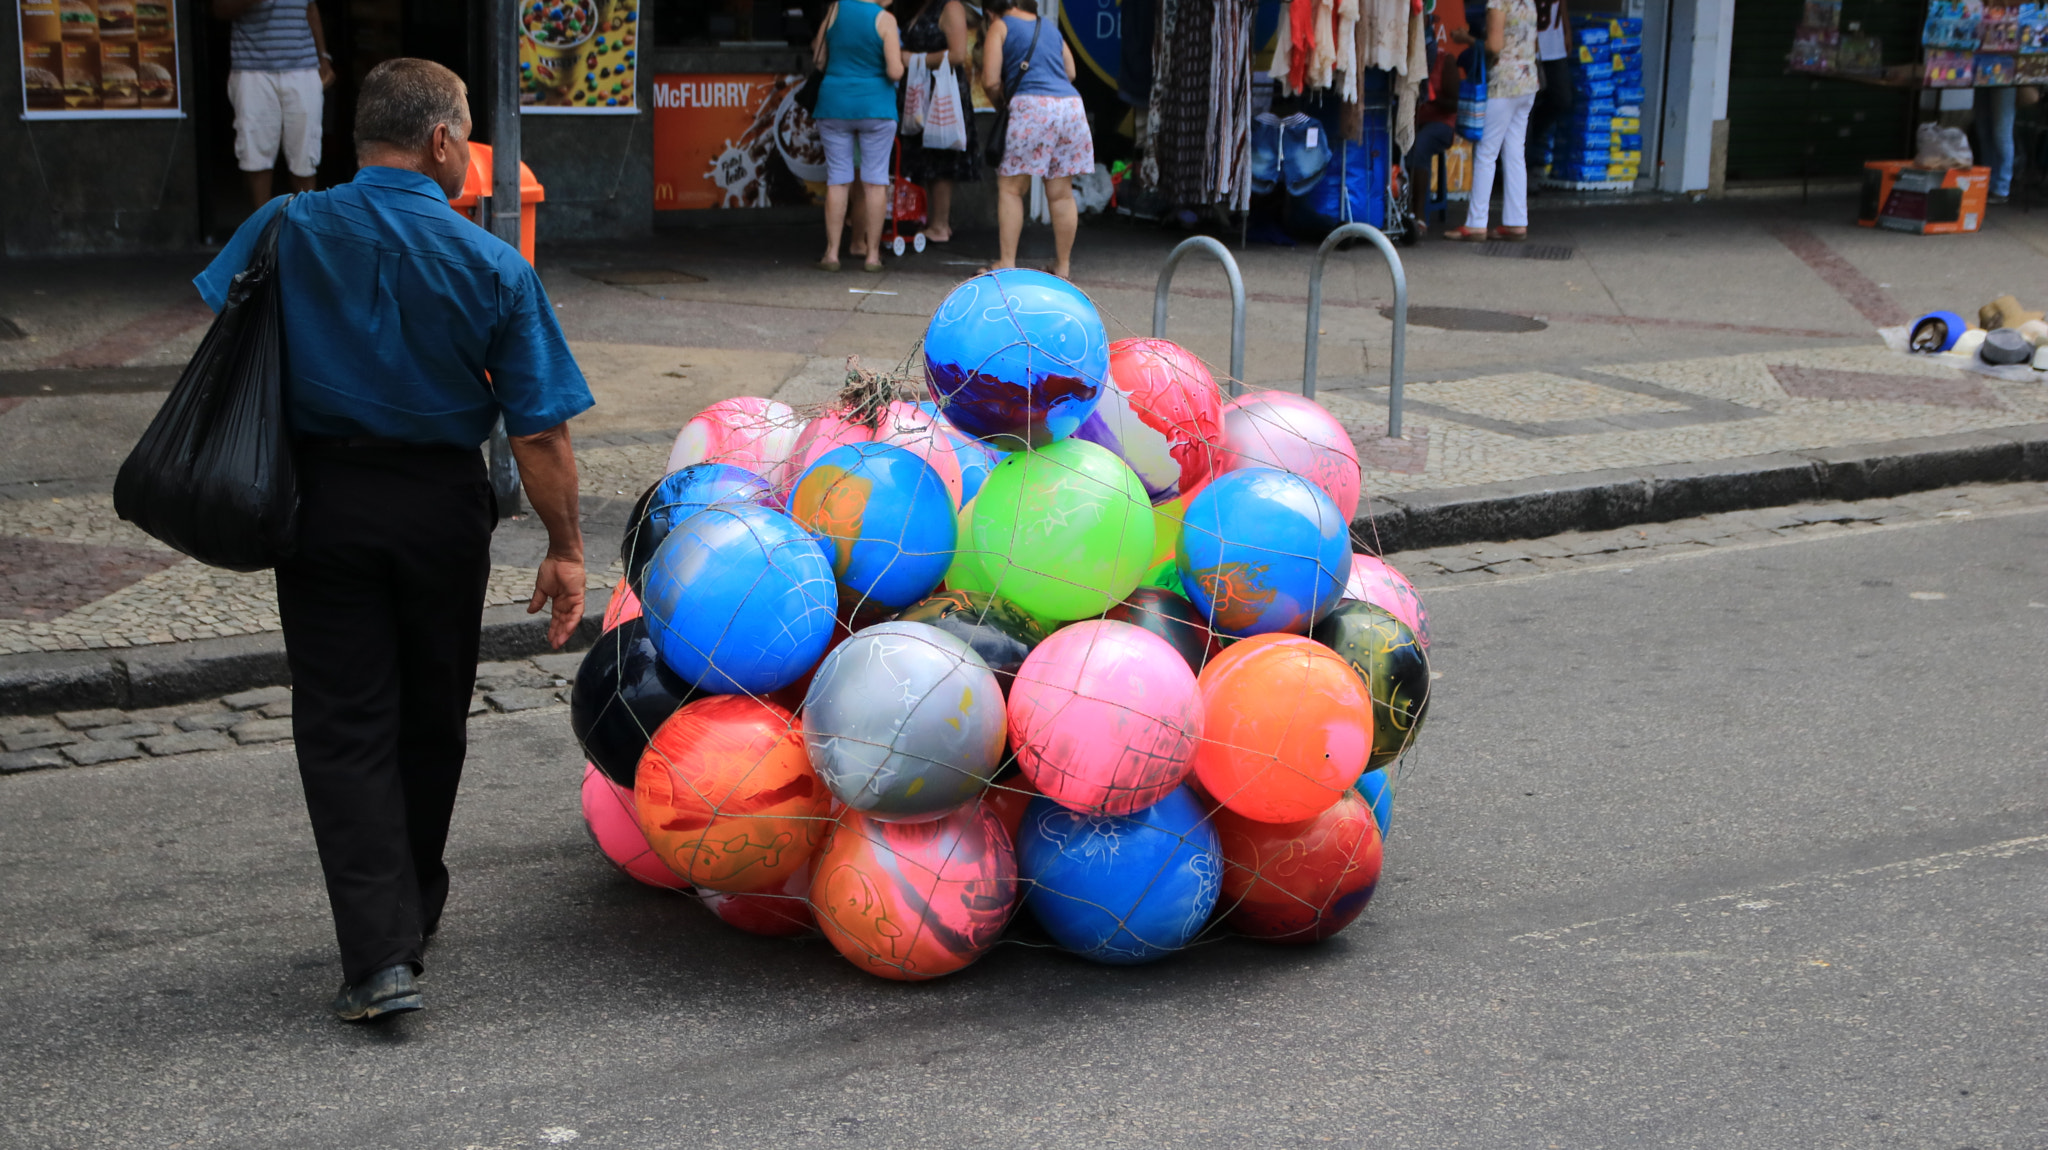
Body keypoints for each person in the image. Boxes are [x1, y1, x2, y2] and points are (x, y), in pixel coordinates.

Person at [191, 58, 593, 1023]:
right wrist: (566, 546)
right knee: (430, 710)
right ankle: (403, 909)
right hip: (438, 508)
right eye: (468, 138)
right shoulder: (491, 263)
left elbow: (223, 319)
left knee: (343, 721)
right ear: (444, 143)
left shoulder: (284, 226)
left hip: (317, 502)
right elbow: (539, 431)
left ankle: (381, 950)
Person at [982, 0, 1092, 278]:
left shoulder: (999, 26)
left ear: (990, 10)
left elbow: (991, 81)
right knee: (1061, 195)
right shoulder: (1050, 27)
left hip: (1032, 107)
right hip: (1070, 108)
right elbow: (1071, 72)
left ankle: (1007, 262)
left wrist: (1002, 105)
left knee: (1011, 189)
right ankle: (1063, 266)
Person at [812, 0, 906, 272]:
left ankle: (831, 254)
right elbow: (894, 70)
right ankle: (872, 256)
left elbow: (819, 60)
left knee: (838, 180)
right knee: (875, 182)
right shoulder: (884, 19)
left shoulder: (833, 10)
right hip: (875, 107)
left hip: (834, 104)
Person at [214, 0, 335, 206]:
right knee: (255, 157)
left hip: (303, 68)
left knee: (305, 156)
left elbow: (310, 7)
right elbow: (219, 9)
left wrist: (323, 57)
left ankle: (305, 228)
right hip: (252, 70)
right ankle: (263, 230)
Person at [1445, 0, 1539, 241]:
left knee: (1486, 153)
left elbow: (1494, 46)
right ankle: (1517, 221)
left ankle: (1476, 223)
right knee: (1515, 152)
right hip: (1527, 83)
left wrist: (1465, 39)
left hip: (1503, 84)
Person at [899, 0, 979, 241]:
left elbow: (956, 54)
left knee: (942, 155)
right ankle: (930, 220)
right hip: (921, 89)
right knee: (925, 156)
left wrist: (913, 59)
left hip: (942, 89)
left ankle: (940, 225)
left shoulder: (951, 7)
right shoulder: (922, 7)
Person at [1403, 21, 1469, 237]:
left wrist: (1430, 96)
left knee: (1420, 145)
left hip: (1441, 124)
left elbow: (1453, 103)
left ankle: (1419, 214)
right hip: (1413, 121)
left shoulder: (1445, 61)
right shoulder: (1406, 61)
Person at [1526, 0, 1573, 175]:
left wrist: (1567, 30)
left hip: (1554, 43)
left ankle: (1526, 143)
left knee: (1562, 99)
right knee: (1527, 105)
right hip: (1529, 46)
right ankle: (1525, 166)